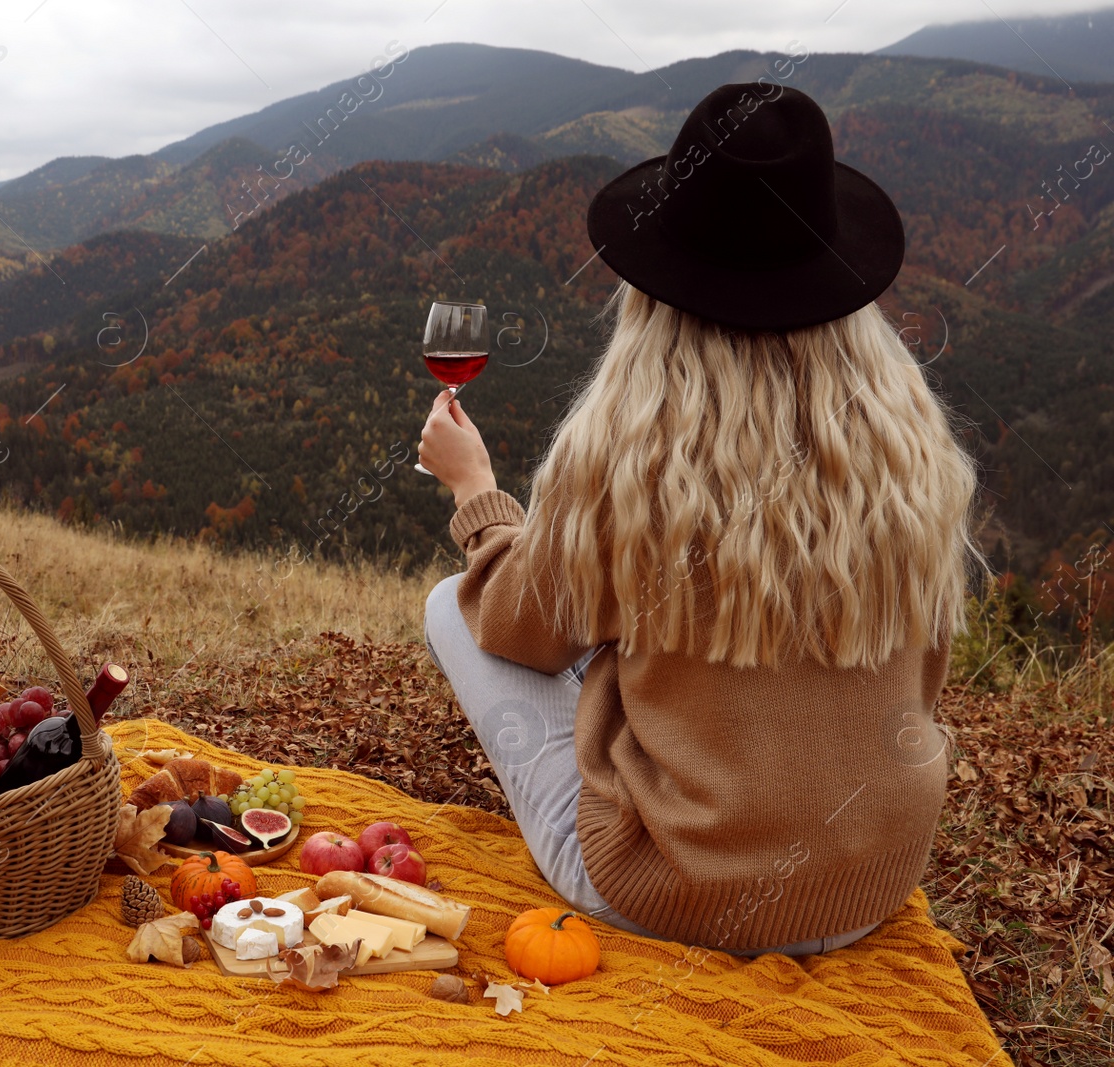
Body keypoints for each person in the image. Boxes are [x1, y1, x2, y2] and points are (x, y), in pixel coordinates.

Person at [418, 82, 988, 957]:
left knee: (450, 604)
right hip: (869, 887)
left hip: (672, 894)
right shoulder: (913, 455)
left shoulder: (626, 460)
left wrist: (477, 496)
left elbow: (515, 629)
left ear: (657, 293)